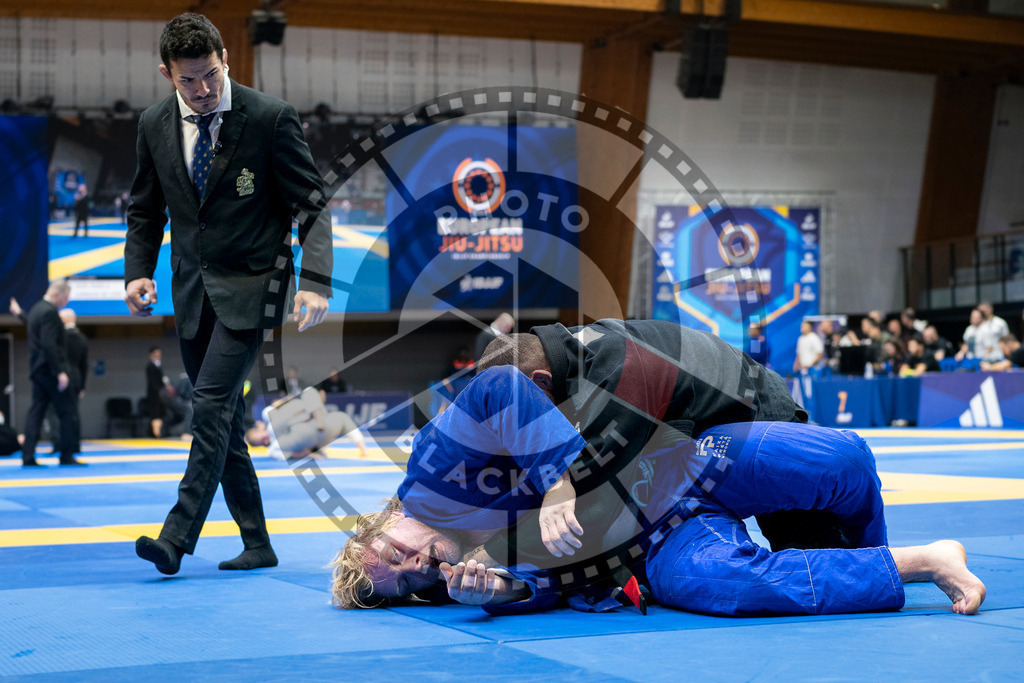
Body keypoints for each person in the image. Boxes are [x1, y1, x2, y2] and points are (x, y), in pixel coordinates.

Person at [331, 368, 986, 617]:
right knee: (729, 585)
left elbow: (497, 386)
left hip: (680, 461)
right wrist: (502, 591)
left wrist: (557, 483)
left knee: (838, 459)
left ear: (384, 518)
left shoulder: (436, 464)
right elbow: (551, 581)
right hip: (658, 546)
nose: (414, 565)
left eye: (392, 552)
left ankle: (866, 554)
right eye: (407, 581)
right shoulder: (471, 573)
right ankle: (922, 561)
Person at [124, 13, 333, 576]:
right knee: (225, 423)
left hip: (254, 286)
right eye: (188, 80)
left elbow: (312, 205)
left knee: (210, 404)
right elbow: (145, 209)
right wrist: (137, 272)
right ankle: (258, 542)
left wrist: (315, 282)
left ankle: (176, 537)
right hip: (191, 292)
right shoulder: (153, 124)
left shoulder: (269, 118)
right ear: (167, 74)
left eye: (211, 74)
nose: (203, 89)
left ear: (225, 59)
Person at [472, 318, 816, 554]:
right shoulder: (566, 352)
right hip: (707, 426)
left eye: (526, 412)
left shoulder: (618, 373)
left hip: (765, 416)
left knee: (811, 546)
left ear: (542, 380)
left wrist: (490, 554)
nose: (528, 425)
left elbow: (595, 499)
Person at [21, 280, 82, 467]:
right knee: (66, 411)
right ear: (57, 294)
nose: (66, 302)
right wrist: (60, 372)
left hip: (38, 370)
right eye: (65, 298)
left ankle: (28, 456)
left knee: (36, 412)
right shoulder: (49, 312)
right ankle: (66, 455)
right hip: (50, 371)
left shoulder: (35, 310)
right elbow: (49, 345)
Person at [245, 387, 367, 460]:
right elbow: (296, 454)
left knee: (309, 392)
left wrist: (284, 401)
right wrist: (309, 455)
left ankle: (362, 448)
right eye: (263, 443)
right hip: (310, 431)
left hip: (311, 418)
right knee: (287, 436)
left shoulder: (268, 416)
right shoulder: (274, 448)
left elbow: (284, 405)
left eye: (263, 437)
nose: (266, 441)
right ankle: (317, 415)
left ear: (259, 428)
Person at [60, 308, 88, 456]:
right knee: (74, 413)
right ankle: (75, 445)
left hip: (62, 377)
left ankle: (62, 445)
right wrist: (82, 386)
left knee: (62, 413)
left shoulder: (61, 337)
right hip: (77, 379)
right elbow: (85, 365)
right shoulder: (82, 338)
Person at [145, 346, 168, 438]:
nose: (158, 355)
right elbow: (152, 381)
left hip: (159, 391)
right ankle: (154, 432)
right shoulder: (150, 366)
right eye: (156, 354)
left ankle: (154, 431)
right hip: (154, 393)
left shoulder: (158, 365)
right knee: (154, 412)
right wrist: (158, 390)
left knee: (159, 412)